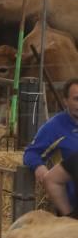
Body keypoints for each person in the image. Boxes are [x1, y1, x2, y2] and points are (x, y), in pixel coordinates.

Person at [23, 79, 78, 216]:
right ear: (65, 101)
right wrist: (39, 167)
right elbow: (31, 153)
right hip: (71, 205)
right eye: (77, 99)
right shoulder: (55, 126)